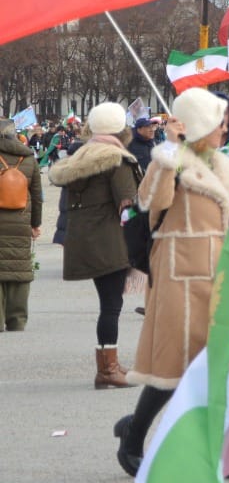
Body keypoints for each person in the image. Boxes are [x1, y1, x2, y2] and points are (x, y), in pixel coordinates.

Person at [115, 88, 229, 481]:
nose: (225, 128)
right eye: (218, 121)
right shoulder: (172, 162)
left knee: (219, 366)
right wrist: (169, 152)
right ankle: (133, 436)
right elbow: (152, 201)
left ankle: (219, 450)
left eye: (225, 121)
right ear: (198, 126)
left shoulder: (223, 166)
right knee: (173, 366)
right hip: (180, 275)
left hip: (219, 274)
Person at [50, 102, 140, 389]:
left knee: (107, 304)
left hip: (83, 240)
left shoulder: (81, 156)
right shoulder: (117, 159)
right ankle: (108, 369)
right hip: (111, 241)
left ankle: (107, 363)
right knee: (112, 306)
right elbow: (128, 206)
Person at [0, 120, 43, 333]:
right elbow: (36, 195)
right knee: (18, 268)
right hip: (20, 219)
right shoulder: (27, 157)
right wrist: (35, 224)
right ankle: (17, 320)